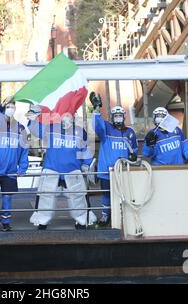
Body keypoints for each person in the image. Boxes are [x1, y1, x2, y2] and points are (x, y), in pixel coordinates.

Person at [27, 107, 97, 230]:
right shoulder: (51, 128)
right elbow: (37, 130)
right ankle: (41, 222)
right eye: (65, 114)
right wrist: (33, 120)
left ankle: (82, 221)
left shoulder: (80, 132)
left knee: (79, 197)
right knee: (45, 196)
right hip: (52, 170)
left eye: (70, 115)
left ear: (74, 116)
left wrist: (89, 165)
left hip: (72, 171)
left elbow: (85, 151)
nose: (67, 117)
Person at [89, 92, 138, 227]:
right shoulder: (106, 128)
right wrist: (97, 109)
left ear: (124, 117)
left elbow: (133, 149)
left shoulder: (130, 132)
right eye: (115, 115)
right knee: (106, 194)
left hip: (122, 170)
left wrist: (133, 155)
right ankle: (106, 215)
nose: (117, 118)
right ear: (112, 117)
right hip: (106, 170)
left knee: (122, 193)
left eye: (120, 115)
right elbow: (97, 125)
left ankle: (122, 217)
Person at [0, 96, 29, 232]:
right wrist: (1, 106)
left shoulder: (20, 128)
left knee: (7, 196)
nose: (10, 109)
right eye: (8, 106)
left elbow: (24, 149)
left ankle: (5, 222)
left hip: (10, 169)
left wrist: (23, 167)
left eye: (12, 107)